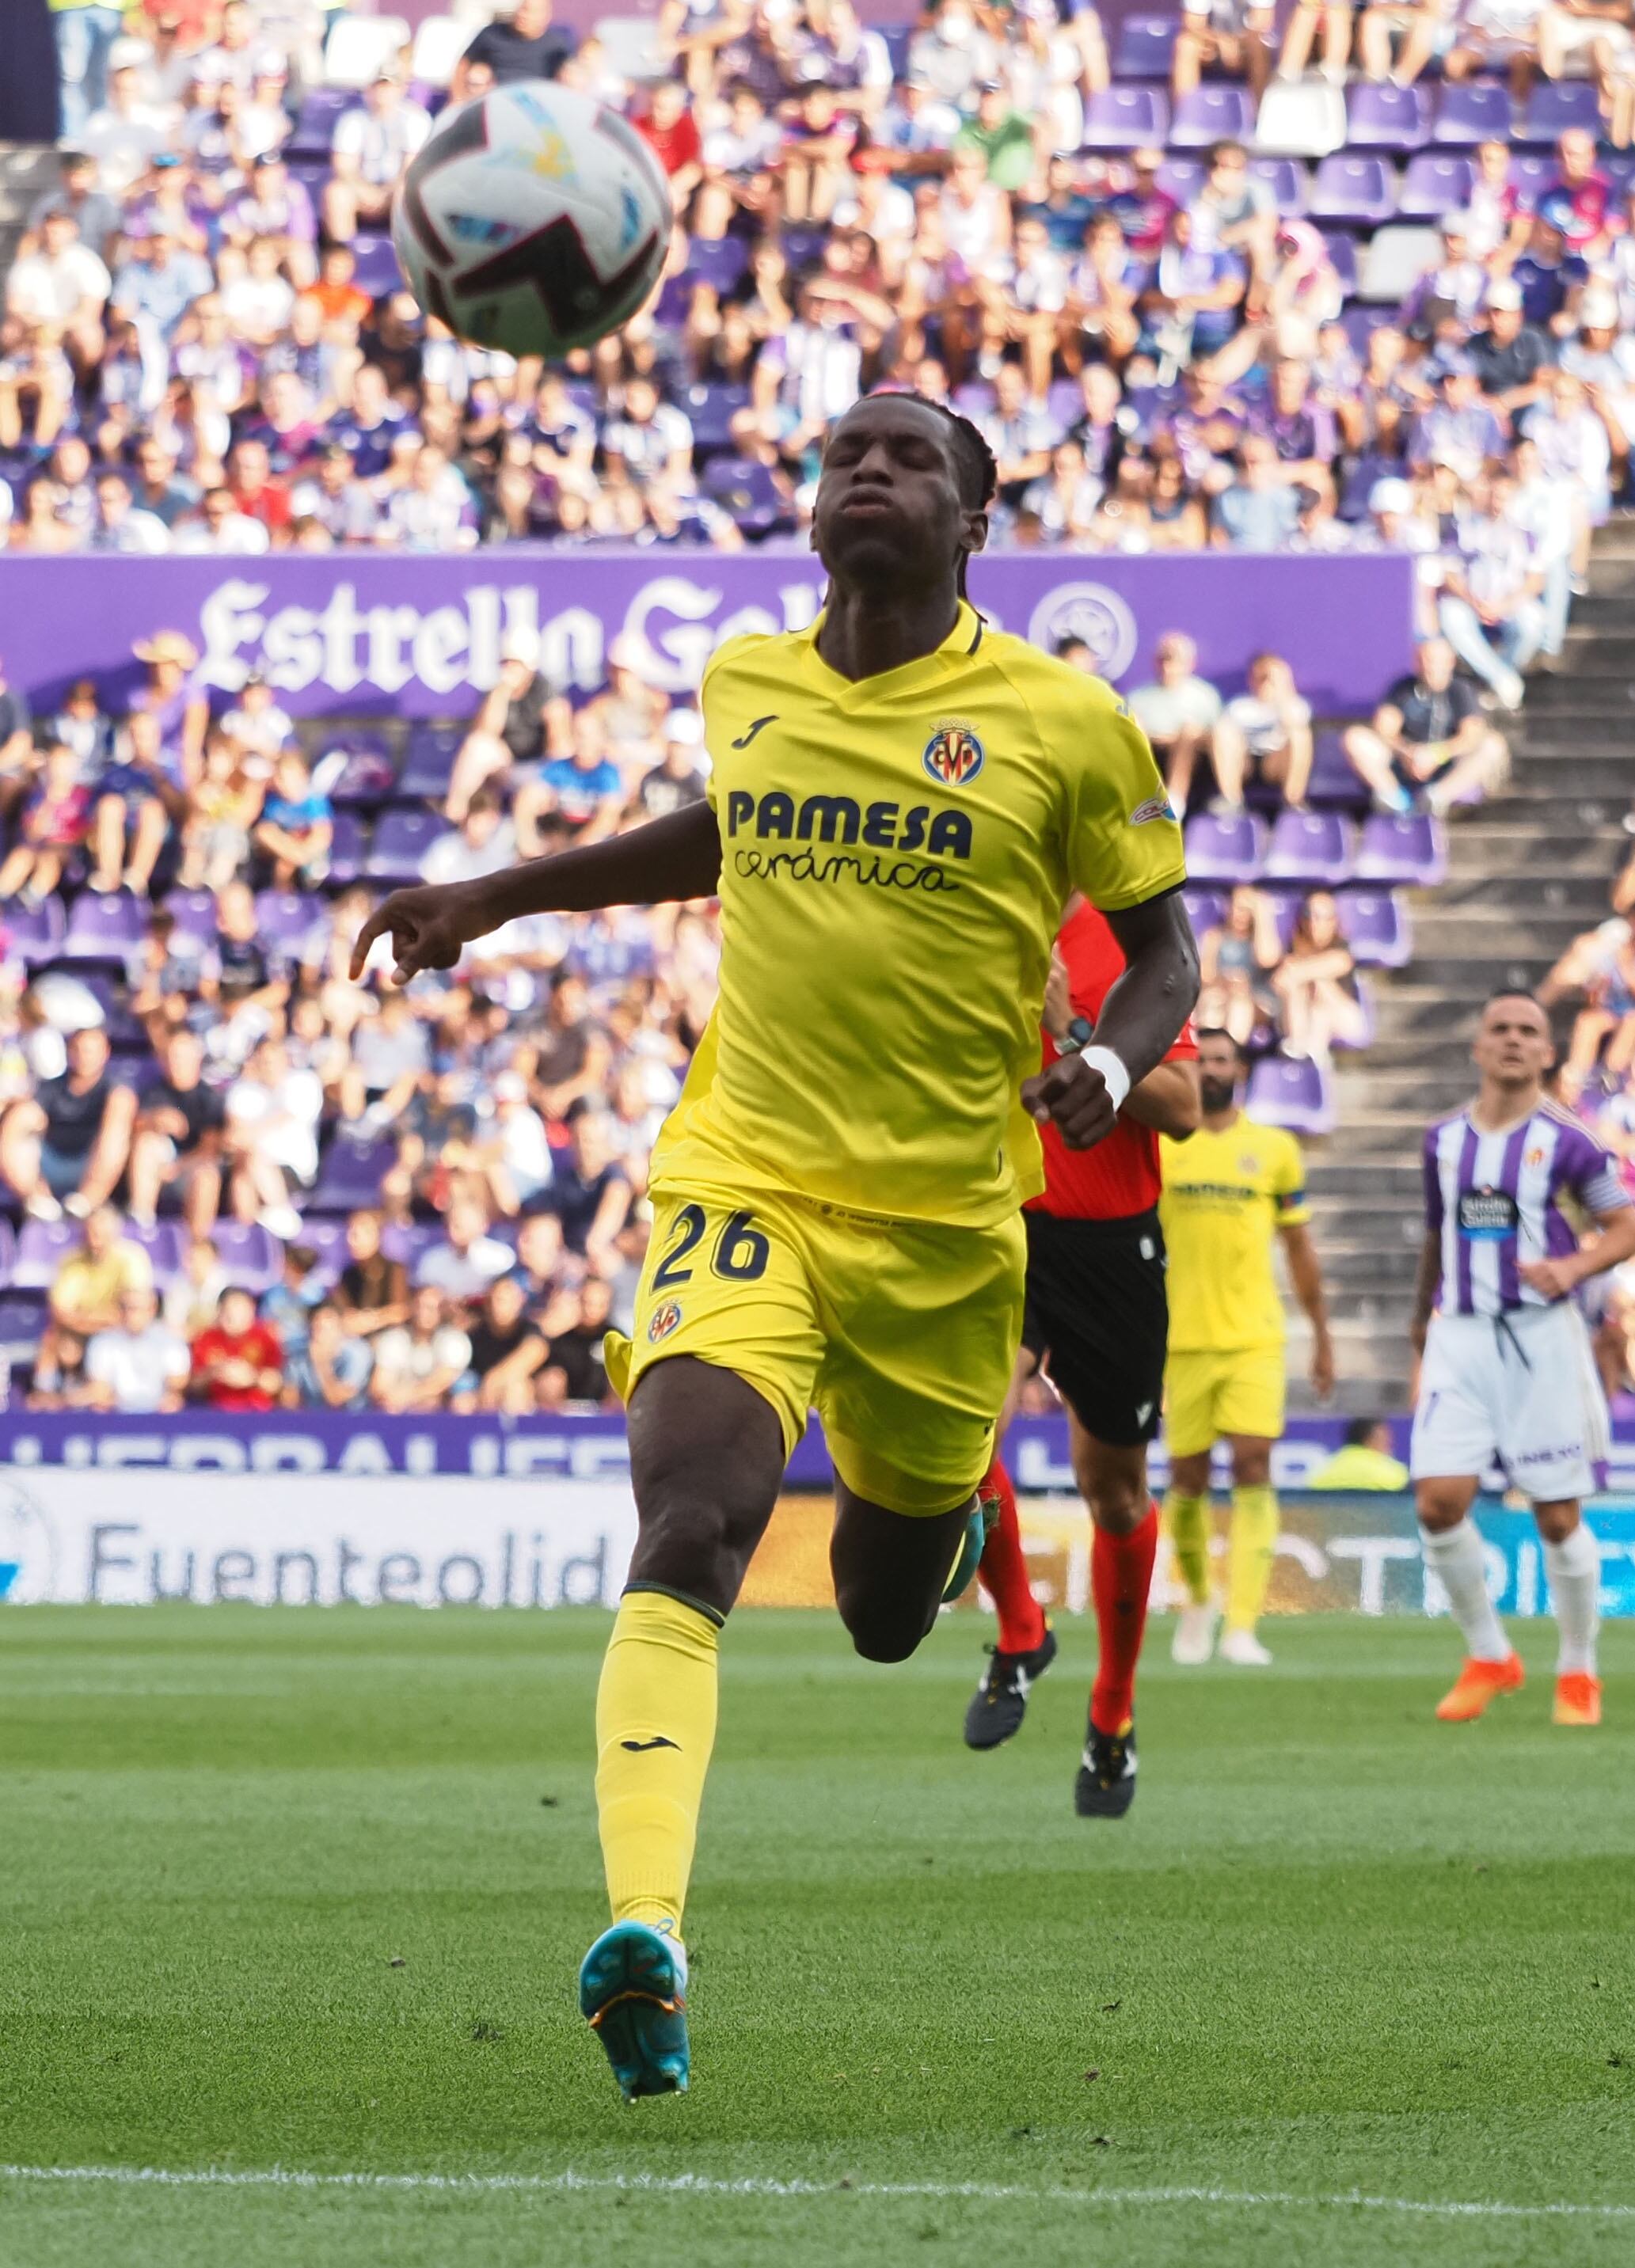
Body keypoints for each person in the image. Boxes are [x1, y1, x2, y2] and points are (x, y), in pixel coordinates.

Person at [351, 386, 1198, 2103]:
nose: (867, 470)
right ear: (814, 511)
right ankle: (644, 1931)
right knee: (691, 1512)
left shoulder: (1063, 720)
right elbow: (722, 833)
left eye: (910, 458)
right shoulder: (753, 682)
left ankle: (948, 1537)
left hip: (952, 1231)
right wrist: (492, 895)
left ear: (977, 522)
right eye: (842, 456)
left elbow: (1165, 948)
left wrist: (1109, 1063)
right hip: (745, 1177)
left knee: (885, 1614)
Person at [961, 900, 1200, 1817]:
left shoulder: (1133, 937)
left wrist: (1073, 1030)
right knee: (956, 1443)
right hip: (1004, 1227)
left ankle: (1112, 1715)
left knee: (1113, 1493)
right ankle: (1020, 1632)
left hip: (1110, 1250)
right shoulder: (969, 911)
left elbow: (1182, 1108)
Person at [1409, 992, 1635, 1729]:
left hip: (1539, 1337)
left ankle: (1577, 1671)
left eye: (1527, 1032)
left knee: (1557, 1514)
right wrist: (1420, 1319)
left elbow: (1622, 1223)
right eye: (1498, 1029)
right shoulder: (1441, 1139)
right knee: (1438, 1503)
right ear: (1477, 1047)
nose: (1511, 1040)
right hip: (1459, 1335)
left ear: (1546, 1052)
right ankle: (1489, 1655)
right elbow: (1438, 1235)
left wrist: (1573, 1270)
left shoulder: (1569, 1142)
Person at [1159, 1028, 1335, 1667]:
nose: (1211, 1068)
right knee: (1186, 1479)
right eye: (1201, 1059)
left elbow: (1298, 1248)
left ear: (1238, 1069)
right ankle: (1198, 1601)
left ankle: (1240, 1626)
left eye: (1222, 1059)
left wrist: (1320, 1335)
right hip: (1182, 1339)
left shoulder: (1274, 1149)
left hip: (1255, 1338)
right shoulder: (1162, 1146)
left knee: (1254, 1467)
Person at [1341, 638, 1508, 816]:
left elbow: (1471, 736)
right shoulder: (1402, 688)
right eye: (1425, 660)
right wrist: (1407, 752)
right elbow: (1384, 729)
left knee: (1493, 745)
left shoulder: (1462, 690)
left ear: (1450, 662)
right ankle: (1395, 800)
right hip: (1403, 763)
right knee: (1355, 738)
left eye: (1437, 661)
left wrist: (1437, 754)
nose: (1430, 667)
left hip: (1445, 767)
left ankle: (1435, 799)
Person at [0, 1024, 137, 1221]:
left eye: (90, 1051)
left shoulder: (115, 1091)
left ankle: (87, 1202)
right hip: (51, 1162)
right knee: (18, 1119)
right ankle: (37, 1200)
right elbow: (29, 1115)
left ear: (105, 1053)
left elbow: (118, 1126)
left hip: (91, 1162)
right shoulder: (51, 1087)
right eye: (78, 1050)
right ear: (69, 1052)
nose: (84, 1057)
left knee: (116, 1129)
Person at [85, 1282, 191, 1413]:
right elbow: (100, 1387)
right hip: (117, 1414)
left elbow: (177, 1385)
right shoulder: (103, 1342)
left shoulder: (170, 1341)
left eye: (137, 1308)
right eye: (126, 1308)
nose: (131, 1314)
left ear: (152, 1310)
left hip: (160, 1414)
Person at [190, 1283, 284, 1410]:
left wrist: (252, 1378)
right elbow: (193, 1385)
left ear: (251, 1310)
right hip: (216, 1412)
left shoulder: (266, 1338)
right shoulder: (206, 1338)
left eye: (240, 1310)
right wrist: (214, 1373)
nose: (234, 1315)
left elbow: (277, 1383)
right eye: (229, 1310)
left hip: (256, 1412)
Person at [1307, 1416, 1409, 1491]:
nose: (1390, 1444)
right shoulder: (1394, 1473)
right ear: (1369, 1439)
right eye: (1385, 1439)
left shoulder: (1323, 1473)